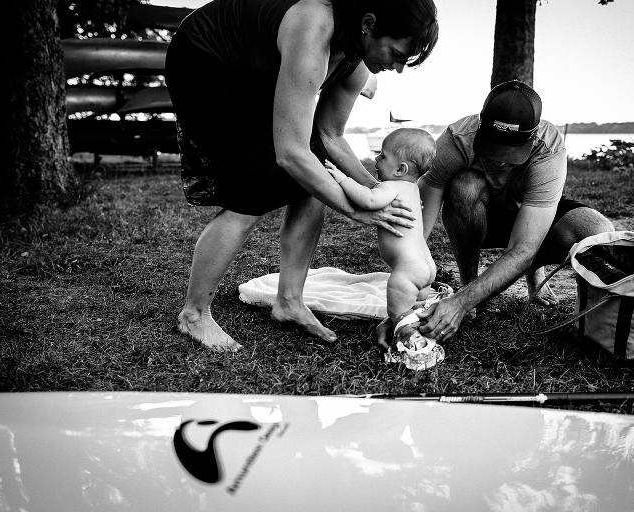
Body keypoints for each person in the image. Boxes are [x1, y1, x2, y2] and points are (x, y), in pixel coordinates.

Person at [164, 0, 439, 351]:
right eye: (397, 54)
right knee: (251, 192)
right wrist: (358, 210)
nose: (398, 68)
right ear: (368, 23)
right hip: (207, 60)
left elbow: (330, 137)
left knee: (311, 184)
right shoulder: (315, 25)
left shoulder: (355, 64)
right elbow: (290, 153)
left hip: (253, 71)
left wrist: (382, 192)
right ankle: (194, 314)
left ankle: (289, 302)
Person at [378, 80, 614, 346]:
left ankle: (530, 272)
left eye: (511, 151)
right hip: (478, 214)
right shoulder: (457, 139)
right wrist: (403, 303)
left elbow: (523, 247)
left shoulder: (548, 148)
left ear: (532, 137)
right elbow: (418, 222)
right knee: (465, 186)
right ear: (481, 125)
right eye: (494, 147)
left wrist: (459, 304)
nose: (500, 160)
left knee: (597, 231)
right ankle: (469, 281)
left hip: (529, 216)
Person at [325, 128, 437, 340]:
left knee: (399, 316)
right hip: (426, 267)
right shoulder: (412, 189)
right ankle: (420, 332)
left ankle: (412, 348)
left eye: (383, 156)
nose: (377, 158)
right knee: (415, 311)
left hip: (408, 270)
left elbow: (368, 200)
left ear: (400, 169)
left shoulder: (391, 186)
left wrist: (343, 179)